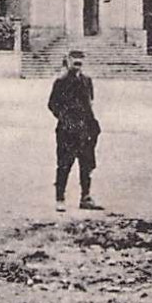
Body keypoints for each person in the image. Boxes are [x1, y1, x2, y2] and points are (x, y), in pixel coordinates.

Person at [48, 49, 101, 211]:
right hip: (67, 131)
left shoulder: (87, 81)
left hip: (85, 129)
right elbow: (52, 105)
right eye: (74, 59)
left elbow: (89, 103)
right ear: (68, 61)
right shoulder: (61, 82)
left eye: (80, 59)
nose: (78, 63)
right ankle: (60, 198)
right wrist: (65, 119)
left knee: (86, 164)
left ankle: (85, 197)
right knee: (64, 164)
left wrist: (92, 126)